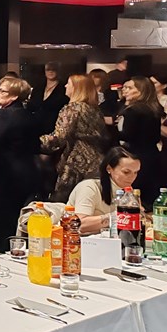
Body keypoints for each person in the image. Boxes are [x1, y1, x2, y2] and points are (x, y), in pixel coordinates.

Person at [0, 76, 41, 243]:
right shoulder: (28, 115)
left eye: (3, 91)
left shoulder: (4, 116)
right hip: (28, 172)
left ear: (15, 96)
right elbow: (36, 145)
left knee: (1, 224)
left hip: (6, 175)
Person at [40, 73, 107, 203]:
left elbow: (60, 137)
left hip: (76, 161)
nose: (65, 86)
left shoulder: (72, 108)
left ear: (76, 88)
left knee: (66, 203)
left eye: (68, 83)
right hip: (96, 160)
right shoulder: (95, 109)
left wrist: (36, 142)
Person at [67, 147, 140, 234]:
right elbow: (79, 224)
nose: (132, 177)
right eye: (126, 172)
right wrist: (116, 217)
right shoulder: (89, 187)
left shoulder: (128, 191)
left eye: (136, 172)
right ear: (109, 169)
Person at [117, 76, 163, 206]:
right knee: (149, 194)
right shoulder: (153, 109)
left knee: (133, 194)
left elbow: (127, 135)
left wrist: (110, 133)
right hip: (152, 154)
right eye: (125, 87)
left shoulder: (133, 110)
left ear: (141, 91)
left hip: (134, 154)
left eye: (130, 88)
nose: (125, 90)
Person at [28, 62, 68, 136]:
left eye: (54, 69)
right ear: (45, 71)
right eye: (48, 69)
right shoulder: (38, 88)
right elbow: (31, 105)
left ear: (58, 71)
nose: (51, 71)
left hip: (54, 127)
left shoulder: (64, 89)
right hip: (35, 127)